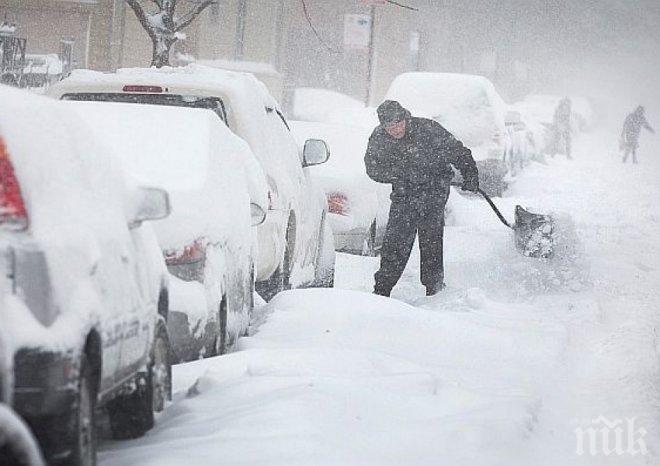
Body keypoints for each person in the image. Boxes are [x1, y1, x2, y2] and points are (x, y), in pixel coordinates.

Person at [364, 100, 479, 297]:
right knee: (396, 241)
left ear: (405, 119)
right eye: (389, 127)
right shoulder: (379, 138)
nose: (395, 130)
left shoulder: (428, 129)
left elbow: (458, 151)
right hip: (404, 193)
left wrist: (470, 174)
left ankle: (434, 286)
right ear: (383, 126)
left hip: (434, 190)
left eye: (398, 124)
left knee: (431, 238)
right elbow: (373, 168)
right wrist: (398, 175)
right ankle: (383, 288)